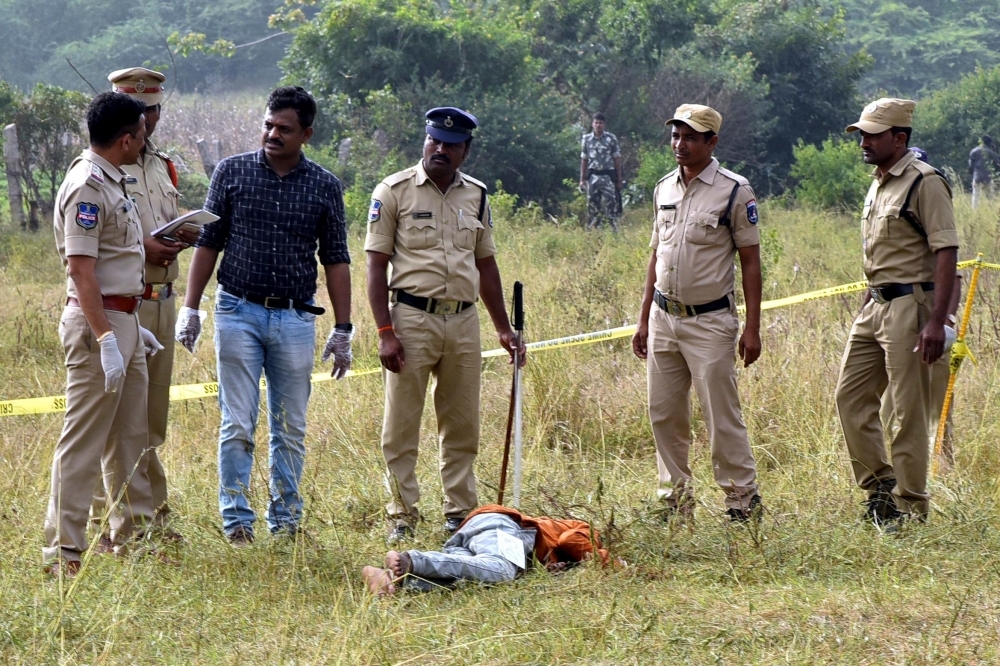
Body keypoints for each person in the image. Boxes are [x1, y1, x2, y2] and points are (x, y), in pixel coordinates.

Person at [176, 86, 353, 546]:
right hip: (237, 311)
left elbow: (336, 258)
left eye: (284, 129)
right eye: (268, 125)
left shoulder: (324, 186)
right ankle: (237, 521)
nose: (273, 134)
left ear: (307, 134)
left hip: (295, 319)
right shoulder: (232, 173)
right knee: (237, 422)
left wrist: (343, 328)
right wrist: (191, 308)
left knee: (290, 427)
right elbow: (207, 243)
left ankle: (287, 523)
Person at [365, 107, 525, 542]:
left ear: (465, 152)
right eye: (434, 140)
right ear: (425, 141)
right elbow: (375, 267)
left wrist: (503, 328)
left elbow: (486, 264)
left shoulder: (476, 195)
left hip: (463, 322)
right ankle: (401, 514)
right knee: (401, 424)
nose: (440, 149)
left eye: (451, 145)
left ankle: (460, 512)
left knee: (461, 423)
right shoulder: (394, 190)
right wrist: (384, 331)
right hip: (411, 319)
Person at [44, 91, 160, 576]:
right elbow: (82, 271)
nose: (144, 139)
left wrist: (132, 327)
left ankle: (131, 536)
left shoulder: (115, 179)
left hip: (125, 318)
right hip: (99, 323)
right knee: (84, 439)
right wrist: (107, 338)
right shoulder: (88, 185)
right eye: (141, 131)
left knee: (131, 435)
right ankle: (63, 551)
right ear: (126, 138)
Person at [631, 104, 764, 523]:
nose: (680, 145)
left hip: (710, 321)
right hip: (663, 317)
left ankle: (742, 501)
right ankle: (674, 502)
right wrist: (642, 320)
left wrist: (753, 328)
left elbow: (751, 262)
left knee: (721, 414)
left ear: (712, 142)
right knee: (664, 414)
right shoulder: (663, 189)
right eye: (675, 136)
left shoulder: (733, 191)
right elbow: (656, 256)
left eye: (690, 137)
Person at [836, 98, 958, 530]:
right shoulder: (879, 182)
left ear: (899, 138)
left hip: (913, 307)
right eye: (862, 134)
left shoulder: (925, 182)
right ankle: (881, 490)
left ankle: (910, 507)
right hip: (876, 304)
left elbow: (946, 251)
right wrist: (869, 298)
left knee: (906, 412)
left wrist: (936, 321)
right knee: (850, 399)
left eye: (873, 134)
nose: (864, 142)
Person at [88, 67, 192, 550]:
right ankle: (118, 526)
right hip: (120, 304)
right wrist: (141, 249)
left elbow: (162, 224)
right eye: (140, 111)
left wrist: (182, 233)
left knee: (149, 421)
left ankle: (149, 515)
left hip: (161, 302)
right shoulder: (104, 165)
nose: (148, 121)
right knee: (116, 425)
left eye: (154, 111)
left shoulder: (162, 165)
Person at [361, 504, 610, 596]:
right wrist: (613, 562)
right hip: (498, 526)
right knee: (501, 571)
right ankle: (411, 560)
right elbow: (573, 543)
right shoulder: (582, 528)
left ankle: (394, 580)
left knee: (471, 581)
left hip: (477, 533)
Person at [579, 113, 623, 231]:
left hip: (607, 177)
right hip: (593, 177)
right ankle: (593, 231)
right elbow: (584, 159)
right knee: (592, 206)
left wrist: (619, 179)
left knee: (611, 204)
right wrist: (582, 179)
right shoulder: (586, 139)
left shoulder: (611, 138)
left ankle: (613, 231)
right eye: (596, 122)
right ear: (592, 124)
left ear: (604, 124)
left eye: (600, 123)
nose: (598, 125)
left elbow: (617, 159)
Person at [969, 135, 1000, 208]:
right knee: (990, 197)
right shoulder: (991, 152)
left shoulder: (973, 151)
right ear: (989, 143)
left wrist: (972, 174)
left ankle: (974, 212)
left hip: (977, 176)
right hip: (987, 177)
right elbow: (997, 164)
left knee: (975, 196)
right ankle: (990, 210)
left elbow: (971, 166)